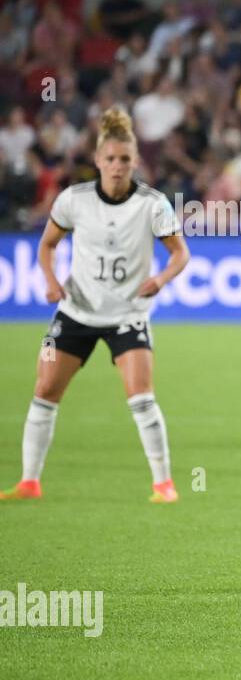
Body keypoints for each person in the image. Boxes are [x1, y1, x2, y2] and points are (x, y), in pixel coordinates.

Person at [1, 108, 191, 503]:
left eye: (125, 159)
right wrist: (51, 281)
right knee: (45, 389)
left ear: (135, 161)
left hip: (127, 315)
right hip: (76, 313)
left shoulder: (153, 204)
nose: (118, 166)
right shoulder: (74, 200)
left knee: (140, 396)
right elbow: (47, 245)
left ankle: (164, 484)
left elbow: (180, 254)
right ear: (98, 161)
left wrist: (160, 280)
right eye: (110, 159)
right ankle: (30, 482)